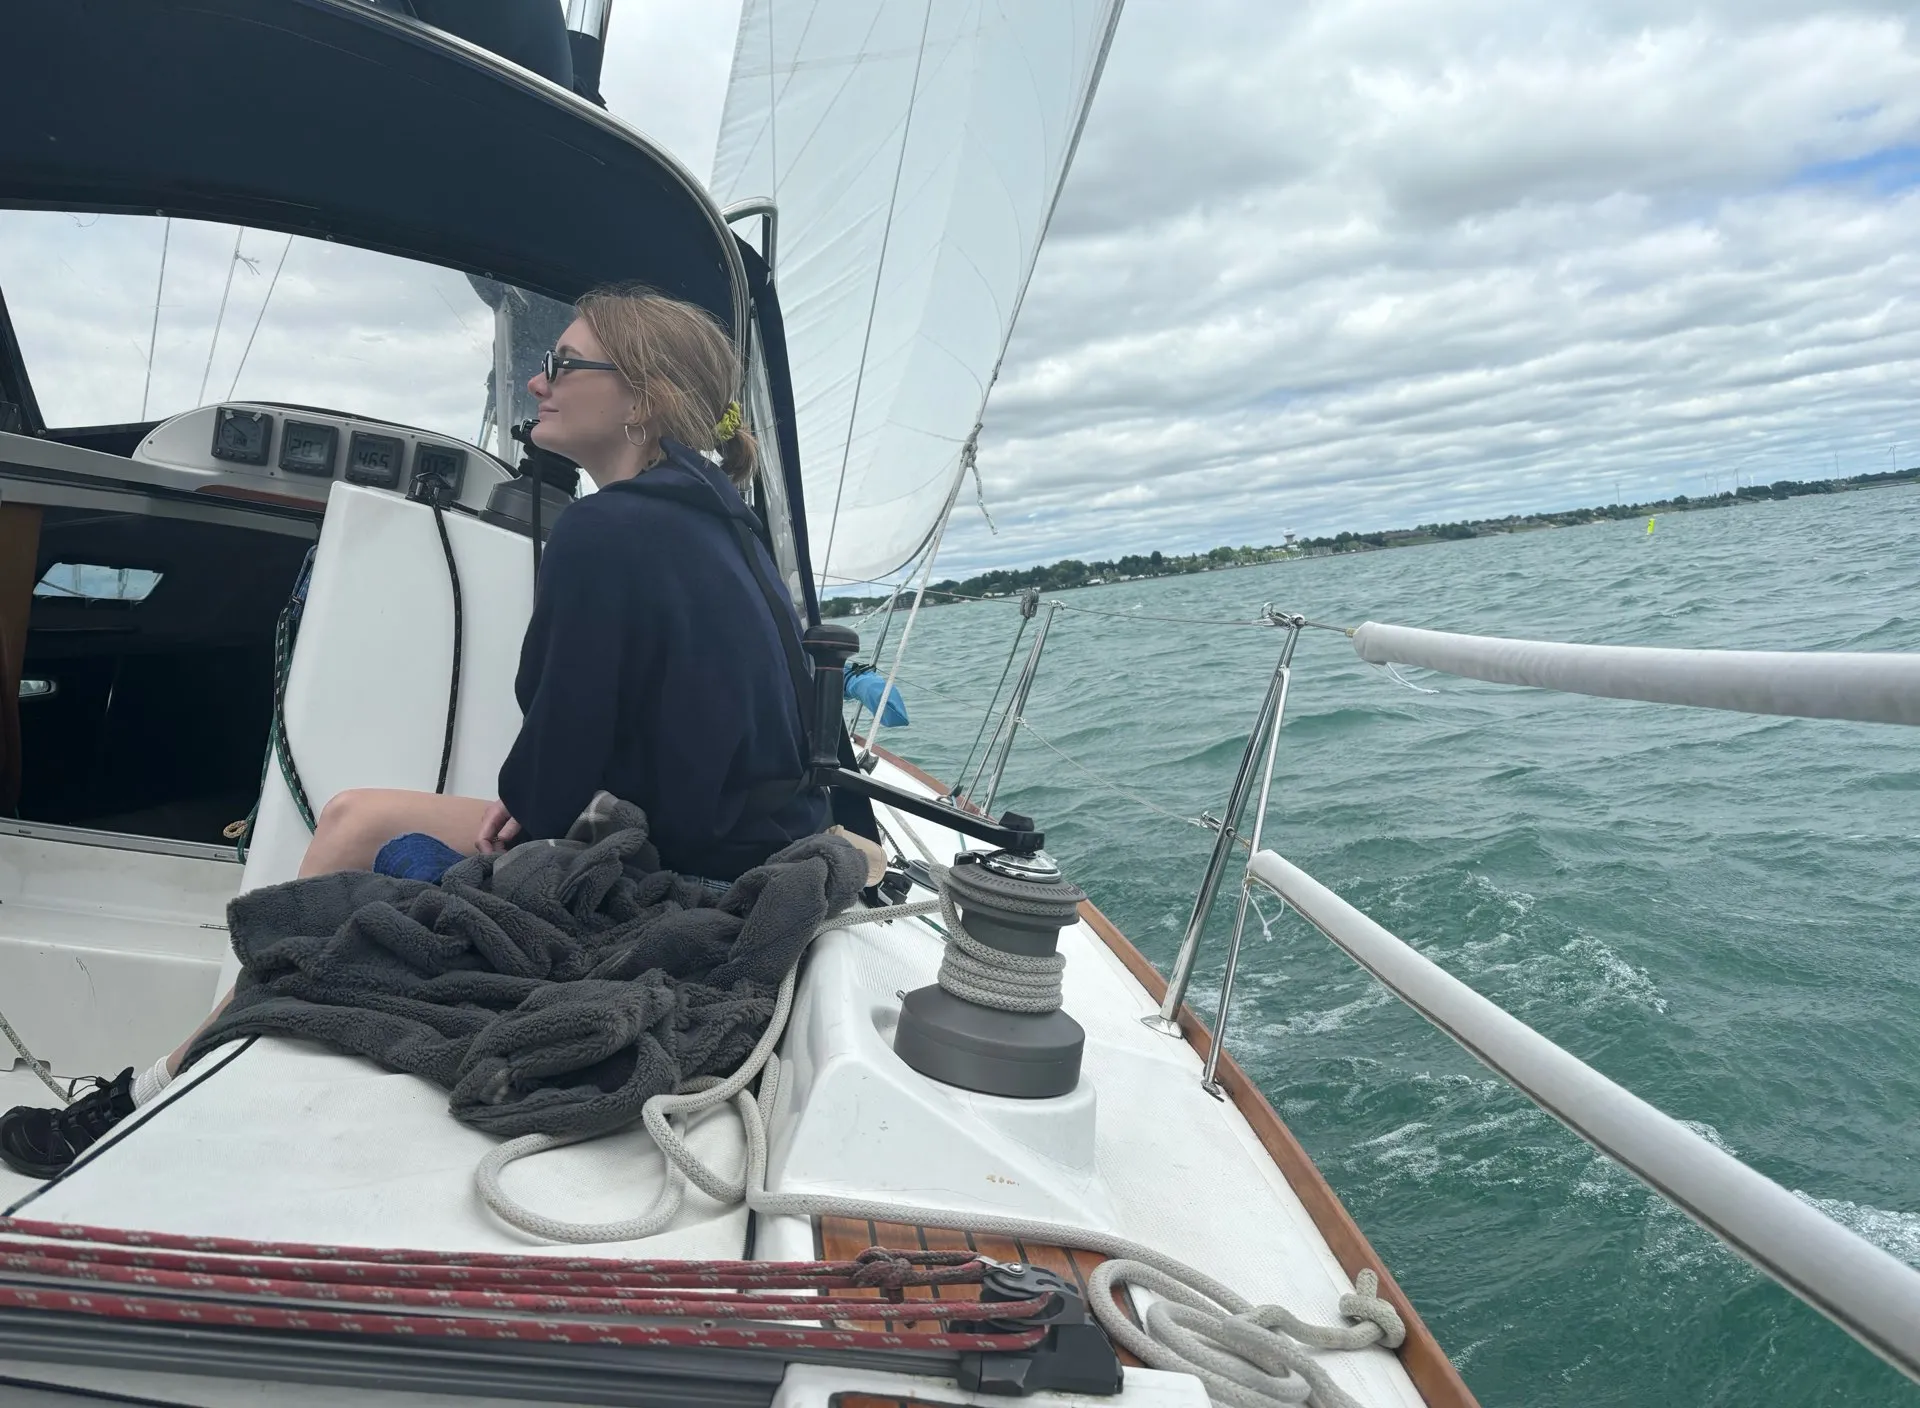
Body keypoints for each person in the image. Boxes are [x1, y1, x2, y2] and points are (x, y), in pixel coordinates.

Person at [0, 285, 880, 1178]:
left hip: (673, 869)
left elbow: (561, 741)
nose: (540, 382)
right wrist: (534, 801)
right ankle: (168, 1077)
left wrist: (530, 811)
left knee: (344, 842)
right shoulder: (727, 530)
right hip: (747, 853)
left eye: (565, 364)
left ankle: (155, 1091)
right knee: (354, 817)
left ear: (643, 399)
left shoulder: (607, 529)